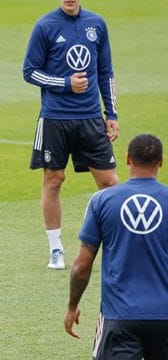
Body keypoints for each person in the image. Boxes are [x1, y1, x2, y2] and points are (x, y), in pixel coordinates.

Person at [23, 0, 119, 270]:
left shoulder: (97, 24)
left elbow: (105, 72)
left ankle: (114, 245)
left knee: (110, 183)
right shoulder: (45, 26)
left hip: (90, 117)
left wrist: (111, 114)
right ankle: (56, 249)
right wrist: (66, 83)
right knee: (54, 180)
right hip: (55, 117)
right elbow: (30, 72)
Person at [64, 134, 168, 359]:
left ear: (128, 159)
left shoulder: (102, 200)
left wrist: (73, 306)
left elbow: (82, 266)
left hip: (119, 316)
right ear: (161, 161)